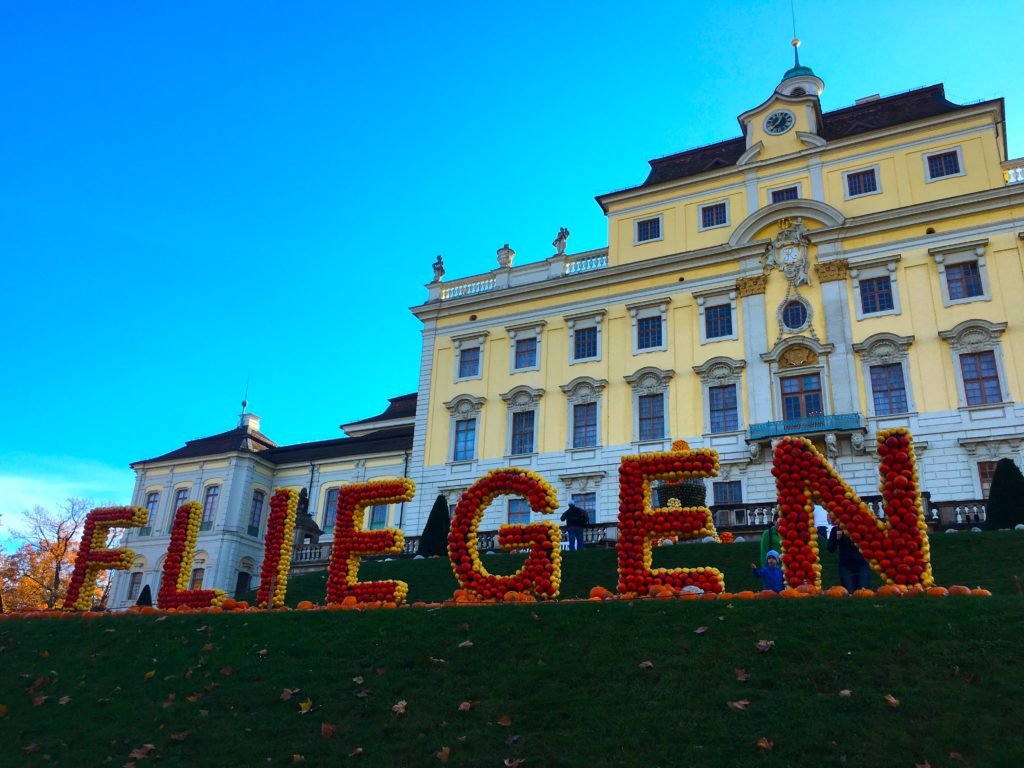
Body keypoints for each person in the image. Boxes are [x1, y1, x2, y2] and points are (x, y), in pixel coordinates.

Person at [827, 523, 872, 591]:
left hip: (862, 563)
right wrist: (837, 538)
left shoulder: (862, 528)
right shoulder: (837, 529)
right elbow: (830, 548)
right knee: (848, 590)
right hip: (846, 565)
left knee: (863, 590)